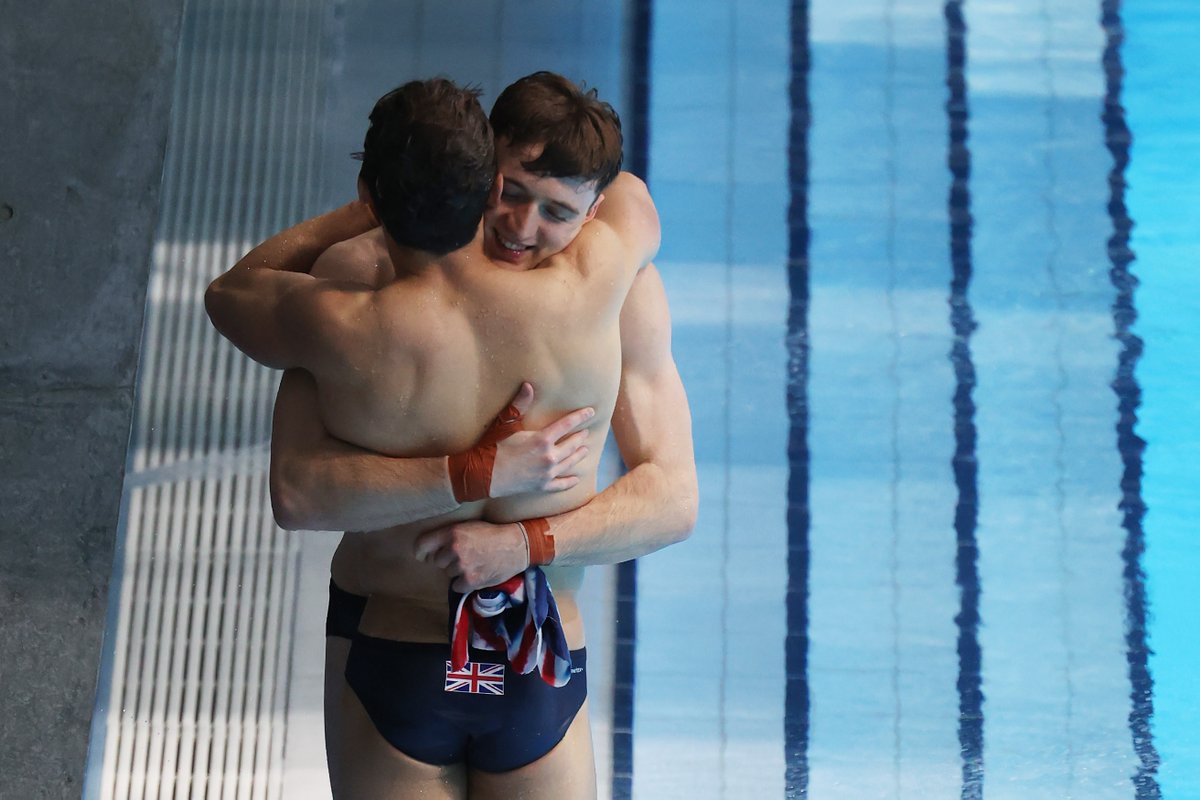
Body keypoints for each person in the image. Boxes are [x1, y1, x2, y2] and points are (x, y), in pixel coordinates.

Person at [206, 74, 696, 799]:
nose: (523, 227)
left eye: (557, 211)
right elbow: (300, 492)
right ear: (481, 167)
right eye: (511, 191)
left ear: (591, 210)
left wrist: (522, 542)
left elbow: (672, 502)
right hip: (488, 650)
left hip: (441, 651)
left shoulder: (354, 283)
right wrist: (477, 473)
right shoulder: (607, 279)